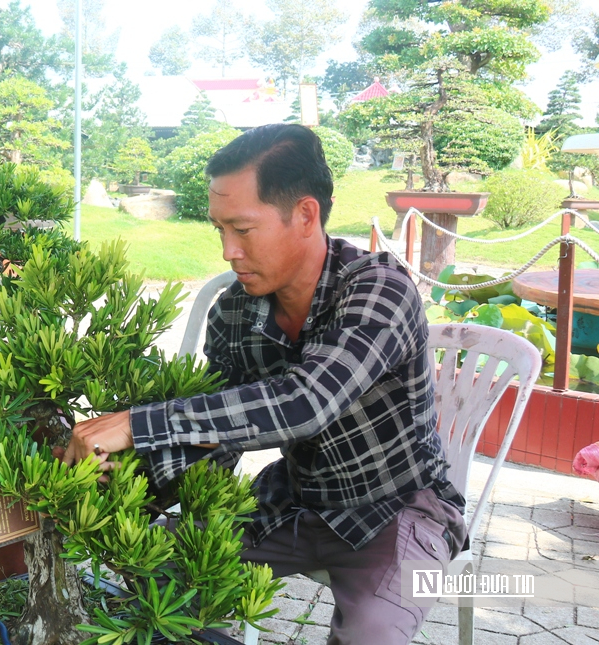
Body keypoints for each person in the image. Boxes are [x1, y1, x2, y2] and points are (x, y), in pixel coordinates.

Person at [65, 124, 467, 645]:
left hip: (397, 510)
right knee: (155, 565)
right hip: (293, 501)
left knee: (372, 636)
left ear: (304, 215)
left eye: (243, 229)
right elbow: (215, 434)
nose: (228, 252)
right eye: (219, 230)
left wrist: (136, 426)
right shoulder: (234, 310)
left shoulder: (378, 290)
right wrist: (124, 492)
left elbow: (307, 402)